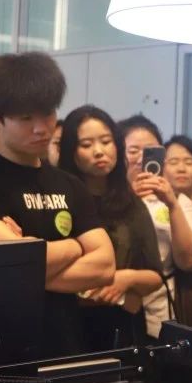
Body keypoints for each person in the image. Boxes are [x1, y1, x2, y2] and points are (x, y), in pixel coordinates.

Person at [0, 52, 115, 358]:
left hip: (64, 347)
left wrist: (32, 260)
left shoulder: (69, 185)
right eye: (25, 118)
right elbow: (15, 265)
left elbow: (105, 266)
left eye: (47, 113)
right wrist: (75, 246)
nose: (41, 128)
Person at [58, 106, 163, 349]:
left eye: (106, 141)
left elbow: (155, 275)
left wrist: (125, 279)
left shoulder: (132, 203)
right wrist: (119, 294)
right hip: (71, 326)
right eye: (86, 145)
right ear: (70, 151)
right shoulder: (61, 200)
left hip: (124, 330)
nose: (99, 151)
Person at [120, 114, 192, 337]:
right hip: (118, 312)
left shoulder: (178, 201)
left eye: (150, 150)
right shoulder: (107, 201)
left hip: (167, 317)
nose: (140, 158)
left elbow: (188, 261)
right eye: (133, 150)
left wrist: (172, 204)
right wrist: (130, 201)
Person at [163, 134, 192, 331]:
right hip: (172, 295)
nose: (181, 168)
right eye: (173, 162)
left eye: (189, 162)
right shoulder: (152, 203)